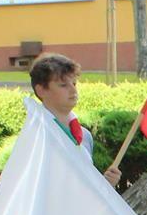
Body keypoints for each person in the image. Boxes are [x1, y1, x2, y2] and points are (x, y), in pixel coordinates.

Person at [27, 53, 119, 185]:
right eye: (63, 85)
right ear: (41, 90)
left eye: (74, 83)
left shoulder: (84, 136)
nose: (73, 90)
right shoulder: (36, 137)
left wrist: (106, 186)